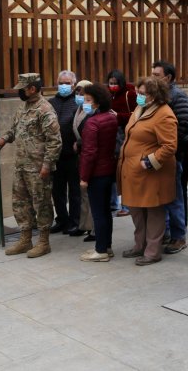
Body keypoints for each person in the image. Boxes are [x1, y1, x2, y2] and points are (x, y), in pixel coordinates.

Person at [0, 73, 63, 258]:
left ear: (32, 89)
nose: (19, 92)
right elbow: (14, 130)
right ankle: (25, 240)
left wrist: (47, 165)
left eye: (22, 89)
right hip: (21, 166)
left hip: (39, 167)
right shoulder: (22, 108)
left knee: (41, 204)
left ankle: (43, 242)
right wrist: (4, 139)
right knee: (20, 203)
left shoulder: (45, 109)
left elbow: (55, 141)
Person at [118, 76, 177, 266]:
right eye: (138, 92)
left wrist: (150, 161)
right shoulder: (140, 109)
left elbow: (169, 146)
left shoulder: (164, 114)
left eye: (143, 93)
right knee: (136, 210)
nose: (138, 96)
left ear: (154, 95)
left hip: (151, 173)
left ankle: (152, 251)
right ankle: (139, 245)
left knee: (154, 213)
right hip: (134, 173)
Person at [152, 60, 188, 255]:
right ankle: (165, 233)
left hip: (172, 157)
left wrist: (170, 153)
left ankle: (179, 236)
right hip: (156, 158)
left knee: (174, 198)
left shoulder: (179, 97)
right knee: (161, 199)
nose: (153, 78)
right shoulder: (155, 98)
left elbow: (183, 130)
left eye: (156, 75)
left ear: (168, 78)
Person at [78, 83, 119, 262]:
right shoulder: (110, 117)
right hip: (108, 170)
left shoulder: (92, 122)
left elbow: (89, 153)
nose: (84, 103)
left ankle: (100, 250)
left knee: (98, 213)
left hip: (96, 173)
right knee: (105, 212)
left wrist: (84, 178)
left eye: (88, 100)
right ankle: (106, 246)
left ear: (97, 103)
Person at [49, 70, 81, 234]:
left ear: (74, 85)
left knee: (75, 191)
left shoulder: (78, 102)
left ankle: (75, 222)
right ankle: (62, 219)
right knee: (57, 191)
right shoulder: (50, 102)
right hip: (55, 155)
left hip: (73, 155)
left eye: (67, 83)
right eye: (61, 82)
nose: (64, 86)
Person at [106, 69, 137, 217]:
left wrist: (118, 115)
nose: (112, 86)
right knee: (112, 168)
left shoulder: (129, 94)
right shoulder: (108, 93)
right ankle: (113, 203)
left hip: (124, 133)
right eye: (110, 83)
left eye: (115, 83)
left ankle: (127, 204)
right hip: (111, 133)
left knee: (124, 169)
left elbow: (136, 113)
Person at [70, 80, 95, 239]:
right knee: (83, 194)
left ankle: (93, 229)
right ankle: (84, 225)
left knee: (91, 194)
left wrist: (79, 143)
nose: (79, 94)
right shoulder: (78, 109)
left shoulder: (92, 110)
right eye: (78, 91)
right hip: (81, 155)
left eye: (83, 92)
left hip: (89, 155)